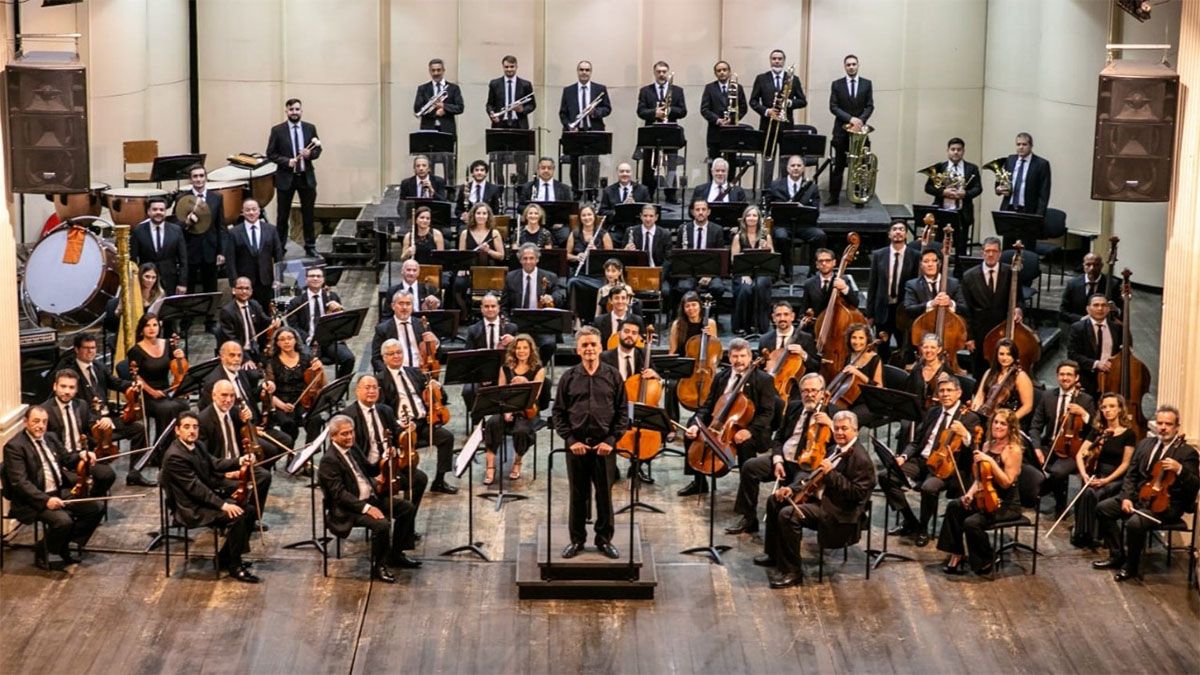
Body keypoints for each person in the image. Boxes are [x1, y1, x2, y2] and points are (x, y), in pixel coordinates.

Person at [763, 410, 875, 588]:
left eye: (844, 429)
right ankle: (774, 555)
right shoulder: (834, 449)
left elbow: (857, 495)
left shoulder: (860, 459)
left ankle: (793, 572)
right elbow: (811, 477)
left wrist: (832, 474)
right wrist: (790, 489)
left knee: (788, 515)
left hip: (838, 511)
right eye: (836, 428)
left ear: (855, 430)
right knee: (774, 500)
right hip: (820, 500)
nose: (839, 432)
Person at [1093, 406, 1199, 581]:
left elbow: (1195, 484)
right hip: (1139, 497)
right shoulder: (1144, 444)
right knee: (1103, 508)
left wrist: (1180, 470)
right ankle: (1117, 555)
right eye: (1160, 423)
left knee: (1134, 523)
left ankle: (1131, 566)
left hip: (1166, 506)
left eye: (1168, 424)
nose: (1163, 427)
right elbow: (1131, 475)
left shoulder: (1187, 453)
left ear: (1177, 427)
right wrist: (1126, 497)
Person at [552, 326, 628, 559]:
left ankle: (604, 539)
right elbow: (558, 413)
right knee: (578, 494)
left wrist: (611, 440)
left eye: (593, 344)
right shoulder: (568, 377)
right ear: (577, 349)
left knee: (604, 494)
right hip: (577, 447)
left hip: (604, 447)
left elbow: (623, 412)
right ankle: (577, 540)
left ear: (601, 347)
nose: (589, 349)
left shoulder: (613, 376)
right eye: (584, 345)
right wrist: (571, 439)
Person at [879, 374, 981, 546]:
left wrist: (965, 435)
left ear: (959, 393)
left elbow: (974, 452)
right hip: (922, 461)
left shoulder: (969, 418)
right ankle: (910, 521)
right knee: (885, 475)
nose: (945, 394)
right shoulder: (933, 412)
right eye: (942, 390)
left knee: (929, 487)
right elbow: (917, 441)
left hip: (947, 468)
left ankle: (923, 528)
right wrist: (904, 457)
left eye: (949, 390)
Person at [319, 413, 421, 583]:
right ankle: (378, 566)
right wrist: (367, 509)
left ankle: (396, 554)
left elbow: (371, 470)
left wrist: (385, 459)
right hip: (348, 508)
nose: (350, 436)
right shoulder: (328, 461)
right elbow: (339, 495)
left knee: (407, 508)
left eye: (351, 432)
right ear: (333, 437)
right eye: (344, 434)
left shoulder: (353, 448)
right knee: (381, 525)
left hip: (370, 497)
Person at [160, 410, 260, 582]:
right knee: (238, 515)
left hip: (203, 499)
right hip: (192, 508)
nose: (192, 431)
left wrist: (239, 460)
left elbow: (214, 463)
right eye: (187, 427)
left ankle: (224, 558)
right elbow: (195, 488)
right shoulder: (174, 456)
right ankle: (235, 565)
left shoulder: (197, 445)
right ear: (177, 430)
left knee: (250, 510)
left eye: (195, 427)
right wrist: (223, 505)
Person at [728, 373, 834, 535]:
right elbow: (778, 438)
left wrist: (831, 424)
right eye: (805, 391)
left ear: (822, 392)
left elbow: (842, 443)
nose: (810, 394)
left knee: (795, 488)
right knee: (750, 467)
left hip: (808, 467)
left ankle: (782, 528)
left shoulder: (833, 412)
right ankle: (749, 519)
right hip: (784, 460)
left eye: (814, 390)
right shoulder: (794, 407)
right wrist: (777, 460)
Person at [2, 406, 107, 568]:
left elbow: (67, 459)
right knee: (63, 521)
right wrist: (46, 500)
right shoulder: (14, 447)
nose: (40, 426)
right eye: (36, 421)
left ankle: (53, 544)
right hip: (32, 500)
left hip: (59, 491)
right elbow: (20, 483)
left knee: (96, 508)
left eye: (44, 422)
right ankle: (51, 547)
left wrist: (81, 455)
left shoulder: (50, 437)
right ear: (25, 423)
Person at [682, 338, 778, 497]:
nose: (738, 360)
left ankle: (745, 490)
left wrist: (750, 431)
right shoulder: (721, 377)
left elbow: (768, 412)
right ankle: (699, 482)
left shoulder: (763, 379)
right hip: (720, 424)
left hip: (750, 428)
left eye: (742, 356)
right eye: (735, 356)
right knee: (691, 433)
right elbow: (707, 406)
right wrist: (694, 424)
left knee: (745, 445)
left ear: (750, 357)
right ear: (729, 357)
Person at [936, 408, 1025, 576]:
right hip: (985, 497)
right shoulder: (986, 445)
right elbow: (980, 479)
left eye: (1003, 424)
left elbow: (1006, 483)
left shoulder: (1013, 450)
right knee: (955, 506)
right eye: (996, 422)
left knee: (972, 522)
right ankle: (957, 553)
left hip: (1006, 504)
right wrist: (969, 494)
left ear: (1011, 428)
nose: (997, 426)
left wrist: (990, 460)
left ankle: (986, 559)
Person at [57, 333, 151, 486]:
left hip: (109, 418)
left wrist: (131, 385)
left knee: (139, 429)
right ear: (76, 349)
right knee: (97, 438)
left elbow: (116, 382)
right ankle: (100, 477)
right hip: (89, 424)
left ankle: (135, 474)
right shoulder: (70, 373)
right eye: (86, 348)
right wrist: (97, 419)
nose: (91, 352)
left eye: (93, 348)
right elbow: (74, 405)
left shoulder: (99, 366)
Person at [375, 338, 457, 494]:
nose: (396, 356)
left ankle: (439, 481)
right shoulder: (380, 380)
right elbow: (382, 412)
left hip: (424, 423)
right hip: (402, 428)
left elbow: (443, 399)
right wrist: (399, 425)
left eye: (399, 352)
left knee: (447, 437)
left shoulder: (415, 372)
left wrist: (437, 388)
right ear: (384, 358)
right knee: (407, 453)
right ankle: (408, 483)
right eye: (391, 354)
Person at [338, 375, 428, 509]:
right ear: (357, 390)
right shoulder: (348, 416)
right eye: (367, 388)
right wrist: (372, 474)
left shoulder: (385, 410)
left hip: (389, 465)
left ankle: (405, 529)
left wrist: (407, 430)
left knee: (420, 479)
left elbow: (396, 433)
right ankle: (383, 520)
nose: (371, 391)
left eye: (375, 387)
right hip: (367, 470)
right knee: (387, 499)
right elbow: (352, 451)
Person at [197, 380, 275, 519]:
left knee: (264, 476)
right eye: (224, 395)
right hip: (218, 470)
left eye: (232, 396)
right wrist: (226, 473)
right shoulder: (203, 420)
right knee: (242, 485)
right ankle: (235, 518)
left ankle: (253, 518)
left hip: (239, 464)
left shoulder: (235, 413)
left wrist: (248, 421)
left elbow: (247, 435)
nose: (228, 400)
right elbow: (204, 457)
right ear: (214, 396)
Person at [1070, 393, 1136, 548]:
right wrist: (1084, 475)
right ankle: (1084, 534)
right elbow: (1080, 455)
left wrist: (1107, 480)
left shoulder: (1128, 434)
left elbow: (1126, 464)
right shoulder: (1098, 431)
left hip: (1116, 478)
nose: (1108, 410)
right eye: (1104, 407)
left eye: (1112, 406)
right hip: (1097, 474)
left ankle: (1096, 535)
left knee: (1095, 493)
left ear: (1120, 409)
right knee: (1087, 491)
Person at [1029, 361, 1096, 514]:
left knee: (1058, 472)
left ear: (1077, 377)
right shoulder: (1047, 396)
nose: (1065, 378)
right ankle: (1036, 494)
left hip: (1073, 450)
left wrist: (1083, 414)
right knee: (1025, 459)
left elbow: (1096, 427)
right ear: (1057, 376)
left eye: (1069, 375)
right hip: (1050, 445)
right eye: (1062, 374)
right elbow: (1035, 426)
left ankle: (1054, 499)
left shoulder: (1086, 400)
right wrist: (1037, 448)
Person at [600, 318, 660, 485]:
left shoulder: (643, 354)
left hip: (636, 405)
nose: (629, 336)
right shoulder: (605, 357)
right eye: (626, 331)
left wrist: (655, 376)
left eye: (634, 333)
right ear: (619, 333)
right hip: (613, 404)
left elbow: (656, 378)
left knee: (650, 425)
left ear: (638, 337)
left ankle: (637, 466)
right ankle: (611, 466)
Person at [41, 370, 118, 497]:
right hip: (62, 459)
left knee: (108, 475)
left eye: (71, 387)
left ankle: (93, 500)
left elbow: (91, 422)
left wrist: (105, 419)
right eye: (63, 386)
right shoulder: (45, 410)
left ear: (76, 389)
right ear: (55, 386)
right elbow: (47, 442)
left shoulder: (81, 405)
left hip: (84, 455)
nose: (67, 391)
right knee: (75, 482)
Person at [483, 334, 546, 484]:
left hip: (526, 412)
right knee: (492, 423)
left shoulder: (538, 369)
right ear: (513, 350)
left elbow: (535, 396)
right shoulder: (505, 368)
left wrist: (525, 383)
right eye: (518, 348)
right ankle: (490, 467)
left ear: (531, 350)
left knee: (521, 431)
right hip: (506, 408)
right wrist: (506, 411)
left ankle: (517, 463)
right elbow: (501, 392)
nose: (521, 351)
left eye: (525, 348)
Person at [266, 98, 322, 257]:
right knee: (282, 215)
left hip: (306, 178)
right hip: (286, 178)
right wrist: (286, 161)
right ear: (286, 111)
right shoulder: (277, 130)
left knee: (308, 213)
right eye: (291, 110)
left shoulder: (310, 128)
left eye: (297, 109)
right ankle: (280, 247)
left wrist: (310, 154)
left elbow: (318, 150)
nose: (294, 112)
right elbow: (270, 154)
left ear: (301, 111)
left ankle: (310, 246)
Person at [177, 164, 227, 331]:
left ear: (205, 178)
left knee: (210, 287)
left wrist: (221, 251)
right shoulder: (182, 198)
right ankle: (187, 320)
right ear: (190, 179)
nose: (198, 179)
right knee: (189, 287)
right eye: (195, 176)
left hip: (210, 250)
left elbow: (221, 227)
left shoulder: (216, 198)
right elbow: (177, 226)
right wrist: (187, 223)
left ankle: (210, 321)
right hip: (190, 249)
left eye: (201, 176)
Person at [285, 266, 355, 378]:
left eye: (318, 276)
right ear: (306, 279)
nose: (315, 278)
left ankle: (337, 391)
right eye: (312, 276)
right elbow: (293, 326)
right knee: (306, 363)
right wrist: (308, 338)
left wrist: (339, 310)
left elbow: (341, 322)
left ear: (323, 279)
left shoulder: (332, 297)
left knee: (348, 358)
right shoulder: (297, 302)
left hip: (329, 341)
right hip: (308, 341)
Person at [749, 48, 807, 184]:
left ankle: (784, 190)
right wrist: (766, 111)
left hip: (786, 126)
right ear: (770, 60)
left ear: (784, 61)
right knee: (768, 160)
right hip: (767, 125)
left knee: (786, 160)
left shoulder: (793, 79)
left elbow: (803, 101)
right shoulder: (761, 78)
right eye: (774, 58)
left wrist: (790, 102)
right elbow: (753, 101)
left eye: (780, 59)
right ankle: (766, 191)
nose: (777, 61)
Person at [865, 221, 920, 362]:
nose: (898, 232)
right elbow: (873, 285)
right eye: (894, 229)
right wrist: (869, 314)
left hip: (903, 310)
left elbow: (916, 284)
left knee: (905, 347)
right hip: (883, 308)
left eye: (901, 229)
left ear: (906, 234)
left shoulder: (915, 255)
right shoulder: (879, 255)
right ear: (889, 234)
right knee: (882, 348)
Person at [765, 154, 827, 280]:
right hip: (783, 224)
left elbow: (816, 211)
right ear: (787, 168)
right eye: (793, 165)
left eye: (799, 165)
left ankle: (813, 271)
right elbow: (767, 207)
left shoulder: (812, 187)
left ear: (803, 168)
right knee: (781, 236)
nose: (796, 168)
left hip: (804, 225)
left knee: (820, 235)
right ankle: (787, 271)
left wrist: (802, 208)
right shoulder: (775, 185)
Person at [959, 236, 1013, 379]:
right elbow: (965, 310)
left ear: (1000, 253)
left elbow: (1018, 300)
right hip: (978, 333)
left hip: (1002, 330)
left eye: (994, 251)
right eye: (987, 251)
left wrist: (1019, 309)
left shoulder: (1010, 273)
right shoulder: (969, 276)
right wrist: (969, 337)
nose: (990, 254)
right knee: (979, 374)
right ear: (982, 252)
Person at [126, 312, 190, 432]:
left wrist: (180, 357)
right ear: (141, 329)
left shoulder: (167, 344)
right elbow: (136, 377)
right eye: (147, 325)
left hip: (166, 390)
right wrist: (153, 392)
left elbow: (179, 368)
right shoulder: (136, 350)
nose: (152, 328)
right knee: (166, 409)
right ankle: (162, 446)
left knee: (183, 405)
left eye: (155, 325)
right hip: (147, 394)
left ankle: (180, 442)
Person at [502, 244, 565, 365]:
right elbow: (504, 306)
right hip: (518, 325)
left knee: (549, 344)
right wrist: (508, 324)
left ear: (537, 259)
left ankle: (536, 368)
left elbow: (560, 297)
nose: (528, 261)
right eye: (525, 258)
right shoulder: (511, 277)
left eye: (531, 258)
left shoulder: (550, 277)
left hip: (542, 325)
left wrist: (551, 298)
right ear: (520, 260)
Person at [665, 291, 717, 436]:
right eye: (687, 306)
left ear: (700, 306)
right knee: (671, 385)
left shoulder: (710, 323)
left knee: (714, 387)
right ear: (683, 308)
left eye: (694, 305)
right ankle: (671, 424)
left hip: (704, 367)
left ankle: (706, 422)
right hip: (684, 366)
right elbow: (673, 351)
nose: (691, 309)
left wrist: (710, 336)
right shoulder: (678, 324)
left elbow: (715, 349)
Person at [636, 61, 687, 202]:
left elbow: (683, 111)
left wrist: (669, 110)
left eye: (664, 71)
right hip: (651, 131)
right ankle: (648, 194)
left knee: (671, 165)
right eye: (659, 71)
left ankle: (670, 194)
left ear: (668, 72)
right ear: (654, 73)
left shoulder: (677, 91)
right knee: (649, 165)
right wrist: (654, 113)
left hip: (670, 131)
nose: (662, 74)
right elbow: (640, 111)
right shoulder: (645, 91)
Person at [827, 54, 874, 206]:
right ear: (845, 67)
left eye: (854, 64)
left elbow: (870, 105)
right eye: (848, 65)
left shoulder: (867, 84)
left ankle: (859, 197)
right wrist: (850, 119)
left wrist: (860, 121)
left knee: (860, 166)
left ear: (858, 65)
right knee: (839, 165)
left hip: (860, 131)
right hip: (841, 131)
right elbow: (833, 107)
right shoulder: (837, 84)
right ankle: (833, 197)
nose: (851, 67)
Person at [461, 293, 516, 424]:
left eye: (493, 306)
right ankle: (480, 424)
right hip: (481, 372)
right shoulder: (473, 330)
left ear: (498, 308)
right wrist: (481, 374)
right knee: (468, 391)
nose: (490, 309)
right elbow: (467, 356)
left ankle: (506, 420)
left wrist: (514, 342)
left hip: (505, 370)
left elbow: (521, 352)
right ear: (481, 309)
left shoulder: (510, 328)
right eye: (486, 306)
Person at [559, 60, 612, 197]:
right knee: (575, 163)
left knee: (593, 163)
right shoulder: (568, 90)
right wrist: (568, 127)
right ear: (577, 71)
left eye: (587, 70)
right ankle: (577, 191)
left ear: (591, 72)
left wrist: (594, 112)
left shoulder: (600, 89)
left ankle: (591, 190)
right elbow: (563, 113)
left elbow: (607, 108)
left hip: (593, 131)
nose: (584, 72)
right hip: (575, 132)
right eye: (581, 70)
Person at [922, 138, 982, 255]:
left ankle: (959, 272)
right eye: (953, 149)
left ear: (963, 151)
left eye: (959, 150)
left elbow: (978, 188)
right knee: (939, 245)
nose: (956, 152)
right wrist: (943, 192)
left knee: (961, 247)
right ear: (947, 151)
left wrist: (965, 194)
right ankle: (938, 271)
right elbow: (928, 187)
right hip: (942, 212)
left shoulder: (971, 168)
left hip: (962, 214)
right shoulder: (939, 167)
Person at [263, 327, 324, 444]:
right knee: (288, 424)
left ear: (295, 340)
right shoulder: (272, 362)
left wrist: (320, 369)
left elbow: (320, 383)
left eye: (289, 338)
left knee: (316, 419)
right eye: (282, 339)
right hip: (281, 402)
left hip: (303, 400)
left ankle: (309, 450)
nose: (286, 342)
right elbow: (269, 391)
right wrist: (282, 405)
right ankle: (290, 452)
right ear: (277, 343)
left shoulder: (306, 357)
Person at [224, 198, 284, 309]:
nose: (251, 212)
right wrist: (234, 283)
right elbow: (230, 261)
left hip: (266, 281)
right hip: (244, 284)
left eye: (254, 209)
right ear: (242, 212)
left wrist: (279, 278)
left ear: (259, 211)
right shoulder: (234, 233)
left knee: (266, 313)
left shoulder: (271, 230)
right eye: (247, 210)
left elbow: (278, 256)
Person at [671, 199, 728, 309]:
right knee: (684, 287)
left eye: (703, 209)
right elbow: (678, 255)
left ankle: (708, 314)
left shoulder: (717, 230)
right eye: (697, 210)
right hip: (688, 272)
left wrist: (710, 276)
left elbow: (721, 257)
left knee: (718, 287)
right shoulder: (684, 229)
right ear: (692, 212)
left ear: (709, 212)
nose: (700, 212)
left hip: (710, 273)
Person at [369, 290, 441, 374]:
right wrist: (389, 374)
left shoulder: (422, 324)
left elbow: (436, 354)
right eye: (401, 303)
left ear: (412, 306)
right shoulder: (382, 329)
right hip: (397, 373)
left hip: (421, 371)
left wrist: (435, 342)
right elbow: (376, 359)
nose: (404, 307)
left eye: (408, 304)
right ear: (393, 306)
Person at [1066, 294, 1123, 399]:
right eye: (1096, 305)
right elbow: (1072, 354)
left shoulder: (1117, 328)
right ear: (1088, 309)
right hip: (1087, 378)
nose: (1100, 308)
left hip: (1112, 379)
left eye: (1104, 305)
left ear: (1108, 309)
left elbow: (1122, 352)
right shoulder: (1078, 328)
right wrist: (1096, 364)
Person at [730, 204, 774, 334]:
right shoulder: (738, 237)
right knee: (745, 289)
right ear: (744, 219)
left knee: (760, 285)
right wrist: (744, 274)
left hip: (762, 272)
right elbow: (734, 259)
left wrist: (765, 248)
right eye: (749, 215)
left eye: (755, 215)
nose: (751, 218)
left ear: (759, 219)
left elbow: (772, 258)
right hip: (742, 273)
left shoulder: (766, 236)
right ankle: (742, 326)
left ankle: (760, 325)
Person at [129, 196, 187, 295]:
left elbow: (183, 260)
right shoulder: (138, 230)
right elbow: (133, 260)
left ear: (165, 212)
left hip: (170, 281)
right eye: (155, 209)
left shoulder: (176, 230)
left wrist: (182, 283)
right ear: (148, 212)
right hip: (146, 282)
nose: (158, 212)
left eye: (161, 210)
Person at [453, 202, 507, 311]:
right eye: (478, 213)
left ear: (488, 216)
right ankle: (465, 312)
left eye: (484, 213)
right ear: (473, 215)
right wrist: (462, 269)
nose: (481, 216)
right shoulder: (465, 233)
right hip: (470, 270)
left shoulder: (494, 233)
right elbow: (461, 256)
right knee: (458, 285)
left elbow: (501, 256)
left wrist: (489, 251)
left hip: (489, 270)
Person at [566, 204, 613, 322]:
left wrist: (597, 253)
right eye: (584, 215)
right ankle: (576, 319)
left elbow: (611, 257)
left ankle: (598, 319)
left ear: (594, 216)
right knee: (572, 282)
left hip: (599, 276)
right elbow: (566, 255)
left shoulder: (603, 234)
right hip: (581, 274)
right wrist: (577, 257)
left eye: (589, 215)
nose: (587, 218)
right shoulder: (575, 234)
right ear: (580, 218)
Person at [217, 276, 276, 365]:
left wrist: (274, 321)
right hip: (239, 351)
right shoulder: (227, 311)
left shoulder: (254, 304)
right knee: (253, 375)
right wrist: (245, 358)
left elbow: (266, 320)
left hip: (256, 350)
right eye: (240, 288)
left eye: (247, 288)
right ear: (233, 290)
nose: (244, 291)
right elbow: (232, 339)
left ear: (251, 291)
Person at [699, 60, 749, 161]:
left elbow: (743, 107)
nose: (722, 72)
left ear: (729, 72)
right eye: (719, 70)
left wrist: (733, 119)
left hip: (732, 131)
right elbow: (704, 109)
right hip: (714, 132)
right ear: (715, 73)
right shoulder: (709, 88)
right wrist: (718, 120)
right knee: (714, 163)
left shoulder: (738, 87)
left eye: (724, 70)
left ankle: (731, 178)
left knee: (731, 162)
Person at [756, 301, 820, 376]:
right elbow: (759, 371)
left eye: (786, 314)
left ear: (792, 316)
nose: (782, 318)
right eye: (778, 315)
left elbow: (816, 367)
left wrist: (803, 354)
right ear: (773, 318)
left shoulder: (806, 338)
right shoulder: (764, 340)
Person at [996, 132, 1051, 215]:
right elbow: (999, 181)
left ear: (1031, 146)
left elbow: (1044, 193)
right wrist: (998, 189)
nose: (1021, 147)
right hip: (1008, 208)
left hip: (1029, 211)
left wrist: (1039, 216)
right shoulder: (1010, 160)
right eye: (1018, 144)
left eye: (1024, 144)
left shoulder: (1041, 164)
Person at [521, 157, 573, 246]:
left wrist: (561, 222)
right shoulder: (528, 187)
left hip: (557, 224)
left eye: (549, 168)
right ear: (538, 170)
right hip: (534, 223)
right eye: (543, 168)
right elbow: (520, 207)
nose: (546, 170)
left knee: (565, 235)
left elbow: (570, 208)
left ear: (553, 170)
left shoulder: (564, 188)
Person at [598, 162, 651, 246]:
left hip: (637, 227)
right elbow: (602, 211)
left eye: (627, 171)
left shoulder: (642, 189)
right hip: (617, 228)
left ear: (631, 173)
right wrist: (620, 210)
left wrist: (635, 205)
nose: (625, 174)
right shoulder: (608, 190)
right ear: (617, 173)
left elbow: (649, 210)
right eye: (622, 171)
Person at [1060, 253, 1121, 325]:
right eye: (1088, 265)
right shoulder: (1072, 284)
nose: (1092, 268)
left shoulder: (1113, 284)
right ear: (1083, 266)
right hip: (1079, 328)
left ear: (1101, 266)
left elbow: (1120, 310)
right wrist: (1081, 319)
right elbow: (1063, 312)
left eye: (1096, 265)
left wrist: (1116, 310)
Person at [799, 247, 860, 319]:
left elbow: (855, 304)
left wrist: (844, 288)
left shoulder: (844, 280)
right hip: (817, 326)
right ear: (817, 264)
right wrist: (805, 317)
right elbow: (803, 310)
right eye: (820, 261)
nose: (824, 263)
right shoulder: (809, 283)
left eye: (827, 260)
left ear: (834, 262)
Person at [413, 57, 464, 137]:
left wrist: (444, 106)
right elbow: (417, 108)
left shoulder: (453, 88)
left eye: (438, 70)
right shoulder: (423, 88)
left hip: (448, 130)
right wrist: (435, 113)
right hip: (428, 129)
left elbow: (460, 108)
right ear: (430, 71)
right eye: (433, 70)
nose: (436, 73)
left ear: (443, 70)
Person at [486, 54, 536, 130]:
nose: (509, 69)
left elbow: (532, 105)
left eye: (512, 66)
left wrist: (522, 109)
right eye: (506, 67)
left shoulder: (526, 84)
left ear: (516, 67)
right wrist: (491, 113)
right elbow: (490, 104)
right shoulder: (494, 84)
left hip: (519, 124)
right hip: (500, 124)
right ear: (503, 67)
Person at [624, 204, 671, 269]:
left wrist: (660, 275)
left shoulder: (665, 234)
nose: (648, 219)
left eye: (651, 216)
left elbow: (668, 260)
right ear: (640, 216)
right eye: (645, 216)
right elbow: (623, 257)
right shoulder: (631, 232)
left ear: (656, 217)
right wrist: (625, 252)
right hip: (636, 271)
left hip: (656, 271)